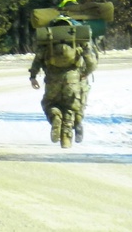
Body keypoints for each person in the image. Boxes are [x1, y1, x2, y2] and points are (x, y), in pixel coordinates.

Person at [28, 14, 99, 148]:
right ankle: (67, 135)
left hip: (52, 78)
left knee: (49, 103)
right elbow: (91, 61)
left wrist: (33, 76)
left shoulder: (49, 38)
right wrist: (86, 73)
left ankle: (55, 117)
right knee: (71, 107)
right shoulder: (78, 37)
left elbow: (38, 59)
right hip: (73, 78)